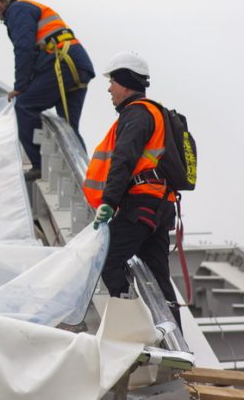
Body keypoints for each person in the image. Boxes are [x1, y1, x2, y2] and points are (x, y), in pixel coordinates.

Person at [84, 51, 181, 326]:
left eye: (112, 82)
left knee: (105, 258)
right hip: (160, 205)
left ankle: (134, 326)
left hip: (141, 204)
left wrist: (109, 201)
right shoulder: (155, 113)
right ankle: (174, 337)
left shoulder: (136, 114)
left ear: (126, 83)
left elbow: (123, 159)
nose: (109, 89)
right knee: (159, 278)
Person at [0, 0, 94, 180]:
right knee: (68, 129)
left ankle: (39, 165)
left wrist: (20, 86)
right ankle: (88, 179)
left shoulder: (17, 10)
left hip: (62, 64)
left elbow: (24, 48)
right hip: (75, 63)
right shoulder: (26, 7)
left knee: (24, 106)